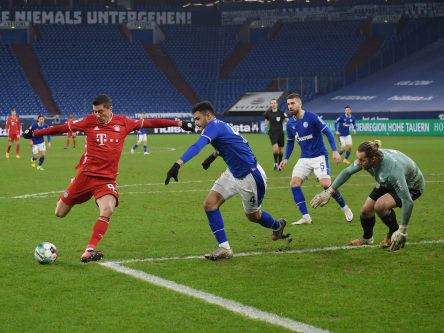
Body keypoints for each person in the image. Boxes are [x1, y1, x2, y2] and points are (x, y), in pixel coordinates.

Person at [23, 94, 194, 263]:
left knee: (108, 209)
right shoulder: (88, 121)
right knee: (59, 213)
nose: (98, 116)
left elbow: (151, 122)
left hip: (106, 180)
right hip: (85, 176)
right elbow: (62, 128)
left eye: (100, 112)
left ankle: (89, 250)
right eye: (95, 112)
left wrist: (179, 123)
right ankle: (72, 187)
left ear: (110, 109)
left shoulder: (124, 123)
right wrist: (35, 132)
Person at [165, 101, 288, 261]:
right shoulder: (219, 125)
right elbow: (228, 144)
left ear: (208, 116)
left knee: (253, 217)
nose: (196, 123)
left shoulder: (213, 127)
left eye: (198, 119)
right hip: (233, 172)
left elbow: (197, 146)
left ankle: (277, 226)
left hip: (250, 176)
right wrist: (212, 157)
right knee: (209, 204)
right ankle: (224, 248)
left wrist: (177, 164)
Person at [310, 140, 425, 251]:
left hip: (412, 186)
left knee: (380, 206)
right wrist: (329, 191)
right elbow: (347, 172)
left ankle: (394, 233)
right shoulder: (371, 159)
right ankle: (367, 238)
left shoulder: (392, 171)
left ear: (373, 159)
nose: (358, 162)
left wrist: (402, 230)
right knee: (366, 211)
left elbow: (407, 201)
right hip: (387, 182)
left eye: (362, 160)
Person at [279, 93, 353, 225]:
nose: (290, 106)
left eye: (293, 103)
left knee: (326, 185)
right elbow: (290, 142)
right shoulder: (290, 124)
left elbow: (328, 133)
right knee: (294, 184)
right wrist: (285, 158)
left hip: (320, 156)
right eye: (288, 104)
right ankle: (306, 217)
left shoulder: (312, 117)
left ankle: (345, 208)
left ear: (300, 103)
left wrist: (335, 151)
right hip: (304, 158)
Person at [264, 98, 288, 170]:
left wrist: (287, 123)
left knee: (280, 150)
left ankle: (280, 164)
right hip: (272, 133)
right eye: (272, 103)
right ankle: (275, 163)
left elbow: (287, 120)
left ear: (277, 104)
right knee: (275, 149)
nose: (273, 104)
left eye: (274, 103)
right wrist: (265, 125)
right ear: (271, 104)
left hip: (280, 134)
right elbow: (267, 119)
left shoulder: (281, 113)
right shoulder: (268, 113)